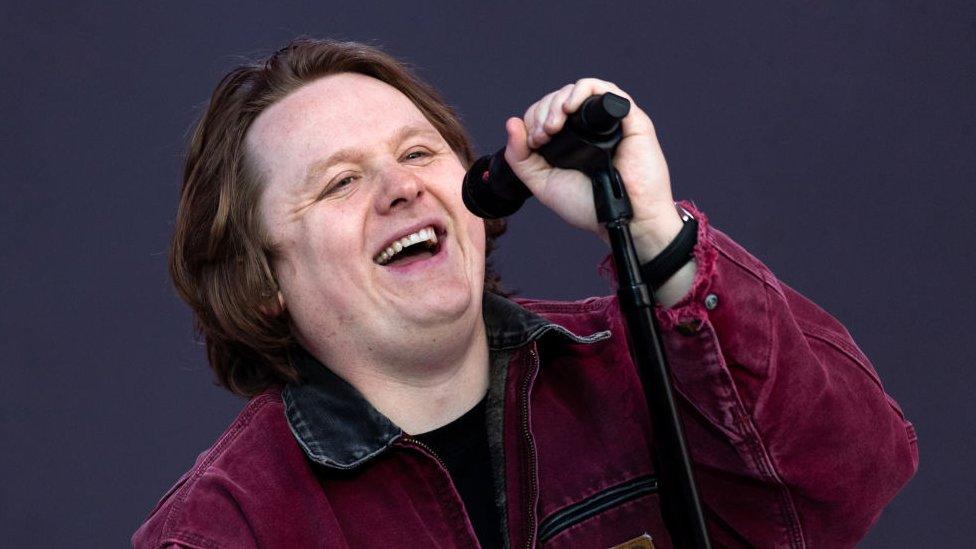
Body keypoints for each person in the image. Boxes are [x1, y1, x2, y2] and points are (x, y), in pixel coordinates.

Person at [132, 38, 917, 548]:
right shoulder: (223, 528)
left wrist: (655, 236)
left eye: (417, 151)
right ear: (260, 278)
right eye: (340, 182)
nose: (402, 187)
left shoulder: (636, 370)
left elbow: (846, 482)